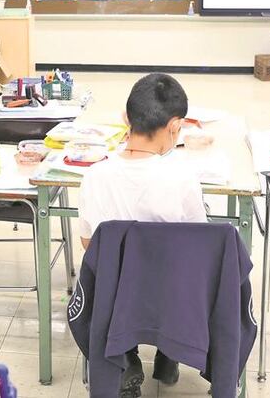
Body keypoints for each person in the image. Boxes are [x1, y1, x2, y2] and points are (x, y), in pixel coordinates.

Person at [77, 73, 210, 394]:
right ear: (175, 126)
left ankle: (125, 356)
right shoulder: (182, 176)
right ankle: (170, 350)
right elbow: (199, 243)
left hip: (115, 296)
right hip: (172, 296)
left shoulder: (94, 176)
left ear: (127, 117)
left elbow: (89, 245)